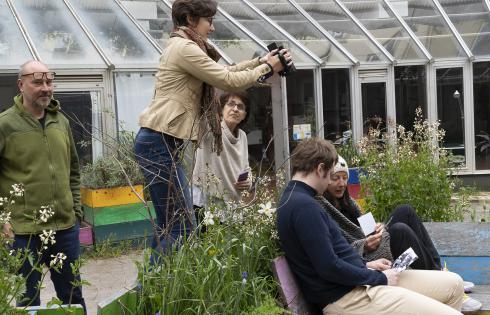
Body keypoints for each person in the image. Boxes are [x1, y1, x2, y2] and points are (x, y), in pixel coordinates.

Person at [134, 0, 290, 259]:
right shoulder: (184, 48)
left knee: (169, 225)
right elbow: (226, 80)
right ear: (191, 18)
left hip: (160, 142)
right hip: (157, 142)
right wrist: (268, 68)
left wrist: (259, 62)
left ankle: (152, 287)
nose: (213, 28)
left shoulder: (184, 46)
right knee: (180, 227)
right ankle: (150, 288)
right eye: (209, 20)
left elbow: (224, 71)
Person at [277, 137, 464, 315]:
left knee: (454, 284)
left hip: (359, 283)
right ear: (320, 169)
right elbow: (329, 267)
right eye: (330, 176)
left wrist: (366, 265)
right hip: (350, 298)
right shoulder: (304, 207)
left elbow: (329, 257)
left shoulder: (296, 199)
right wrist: (380, 278)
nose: (329, 183)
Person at [320, 155, 482, 312]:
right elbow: (339, 249)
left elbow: (363, 231)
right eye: (335, 178)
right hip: (366, 259)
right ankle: (447, 287)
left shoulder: (349, 203)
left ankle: (439, 272)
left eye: (344, 177)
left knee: (405, 211)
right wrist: (364, 245)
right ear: (326, 178)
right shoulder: (324, 209)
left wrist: (377, 228)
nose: (341, 183)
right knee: (399, 230)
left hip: (371, 245)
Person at [0, 60, 86, 312]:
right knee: (28, 300)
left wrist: (76, 210)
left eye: (49, 82)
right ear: (21, 85)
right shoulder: (5, 124)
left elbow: (73, 169)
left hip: (64, 226)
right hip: (23, 230)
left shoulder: (62, 122)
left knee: (72, 295)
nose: (45, 88)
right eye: (37, 82)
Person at [192, 91, 252, 223]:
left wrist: (248, 180)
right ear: (221, 108)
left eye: (240, 107)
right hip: (208, 202)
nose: (235, 109)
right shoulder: (211, 128)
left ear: (244, 115)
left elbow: (246, 167)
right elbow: (199, 109)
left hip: (233, 202)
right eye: (231, 104)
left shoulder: (242, 136)